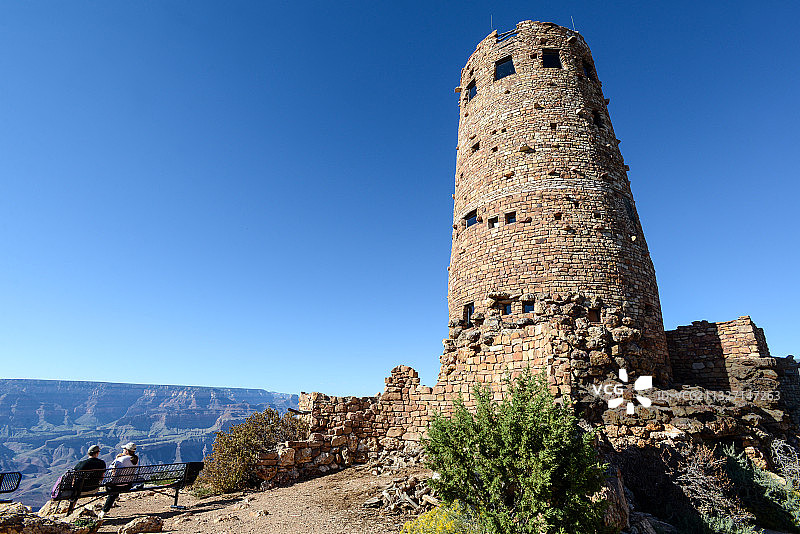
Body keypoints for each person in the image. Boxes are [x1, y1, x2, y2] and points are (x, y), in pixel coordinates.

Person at [99, 443, 138, 518]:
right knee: (113, 489)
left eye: (124, 449)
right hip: (127, 486)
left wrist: (116, 459)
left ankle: (104, 511)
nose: (122, 450)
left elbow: (110, 470)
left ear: (126, 451)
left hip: (116, 486)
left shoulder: (121, 459)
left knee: (109, 488)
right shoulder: (136, 459)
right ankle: (116, 497)